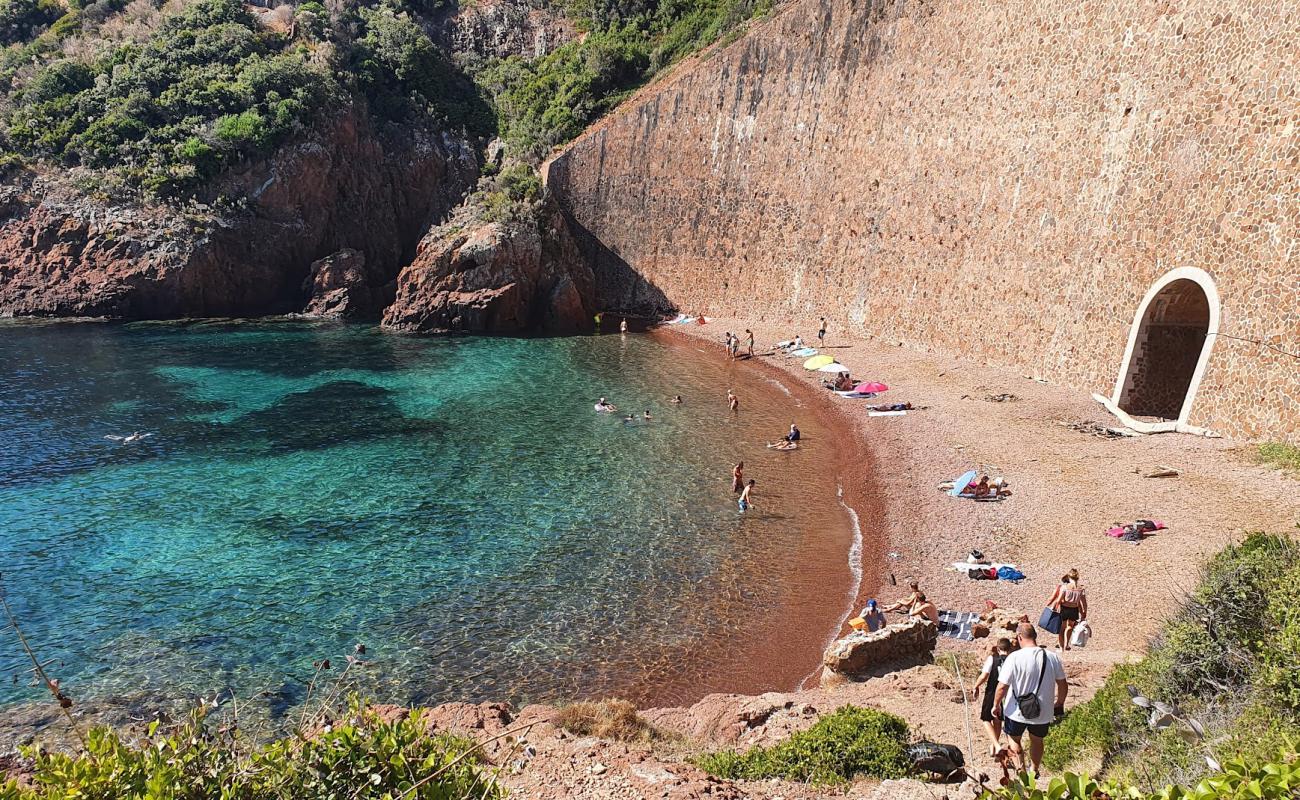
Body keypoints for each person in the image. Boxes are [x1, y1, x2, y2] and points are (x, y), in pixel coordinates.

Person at [993, 623, 1068, 776]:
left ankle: (1021, 771)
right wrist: (1060, 702)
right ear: (1035, 636)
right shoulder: (1051, 657)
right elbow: (1062, 684)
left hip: (1016, 710)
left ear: (1019, 637)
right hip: (1043, 711)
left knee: (1013, 739)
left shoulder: (1014, 657)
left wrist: (996, 705)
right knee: (1037, 740)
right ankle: (1034, 770)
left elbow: (1002, 686)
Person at [971, 638, 1015, 756]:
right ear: (1010, 649)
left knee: (986, 719)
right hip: (1007, 694)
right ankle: (994, 746)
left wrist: (976, 686)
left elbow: (984, 675)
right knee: (998, 720)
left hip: (992, 692)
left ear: (998, 648)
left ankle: (996, 745)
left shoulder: (992, 659)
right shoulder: (1013, 660)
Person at [1046, 569, 1088, 651]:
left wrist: (1053, 608)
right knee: (1070, 627)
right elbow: (1084, 603)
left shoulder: (1065, 587)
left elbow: (1059, 600)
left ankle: (1061, 648)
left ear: (1069, 577)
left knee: (1062, 628)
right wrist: (1084, 613)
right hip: (1074, 609)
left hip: (1065, 609)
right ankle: (1066, 644)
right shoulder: (1081, 589)